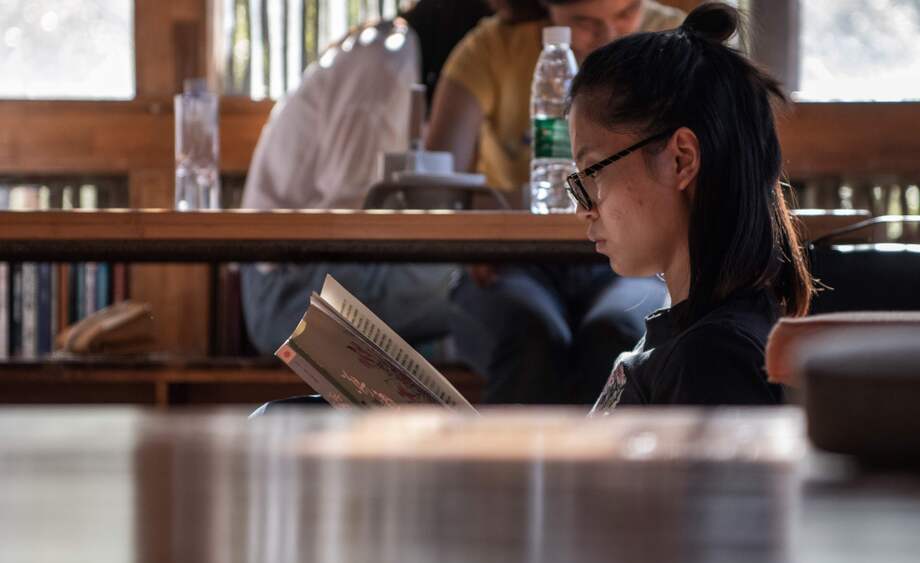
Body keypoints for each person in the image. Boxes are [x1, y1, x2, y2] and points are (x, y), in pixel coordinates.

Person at [426, 0, 684, 404]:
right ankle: (513, 467)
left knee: (615, 336)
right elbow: (435, 179)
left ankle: (602, 466)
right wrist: (474, 231)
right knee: (530, 336)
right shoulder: (493, 49)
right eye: (584, 22)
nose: (609, 36)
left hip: (630, 262)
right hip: (512, 263)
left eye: (625, 14)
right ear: (548, 10)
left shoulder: (673, 45)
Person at [564, 2, 813, 413]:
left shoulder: (713, 362)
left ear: (681, 159)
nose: (583, 209)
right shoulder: (690, 335)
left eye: (592, 172)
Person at [240, 1, 492, 355]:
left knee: (496, 286)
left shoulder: (395, 53)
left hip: (313, 277)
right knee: (484, 285)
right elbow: (353, 219)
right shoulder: (386, 61)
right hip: (289, 295)